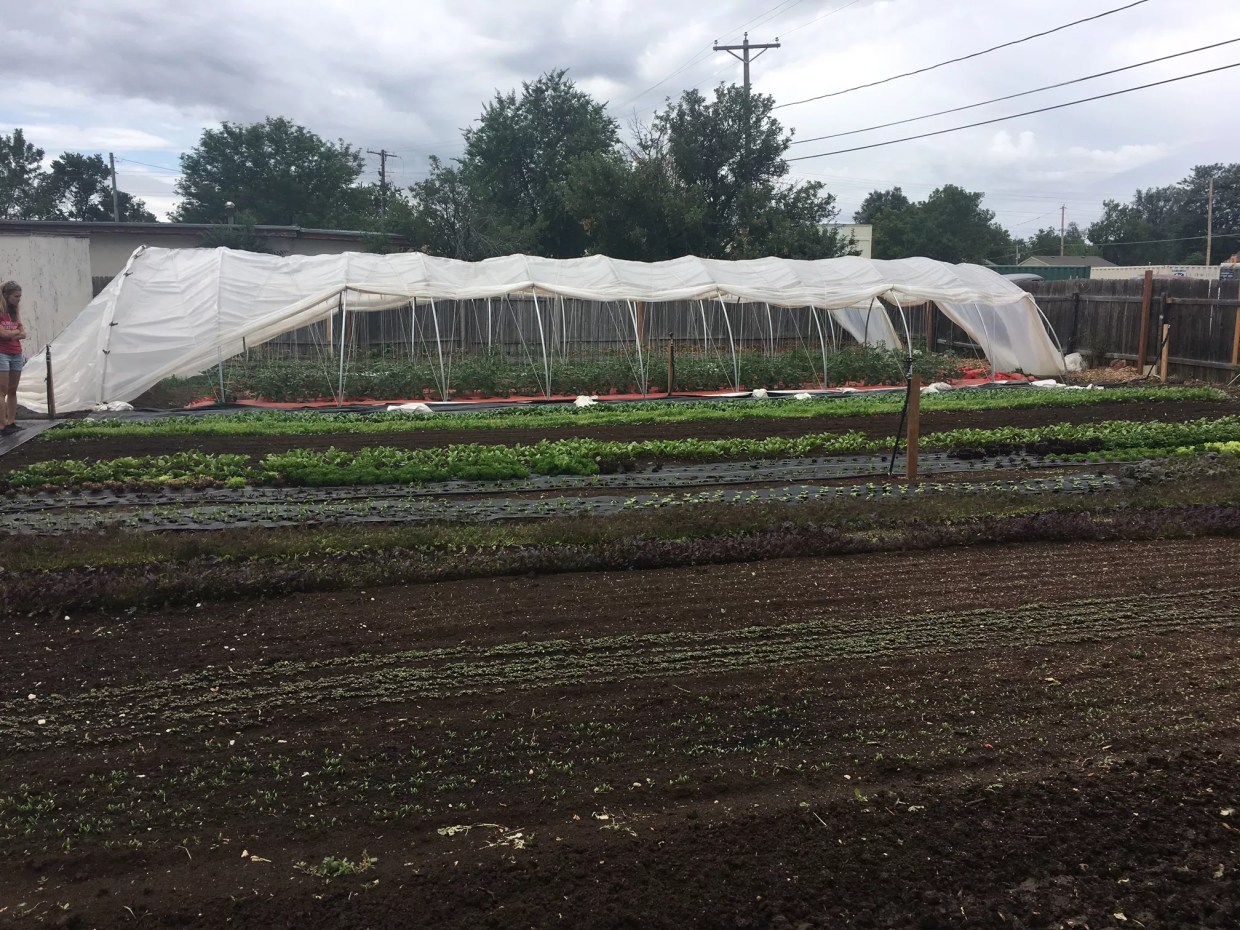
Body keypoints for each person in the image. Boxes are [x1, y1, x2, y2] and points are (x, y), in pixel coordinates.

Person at [0, 281, 27, 436]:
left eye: (20, 296)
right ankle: (1, 424)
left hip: (16, 352)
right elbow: (3, 334)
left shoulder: (14, 311)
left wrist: (12, 335)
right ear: (6, 295)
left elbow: (23, 333)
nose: (19, 299)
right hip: (2, 353)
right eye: (16, 296)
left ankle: (12, 422)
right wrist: (14, 334)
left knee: (13, 390)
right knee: (2, 390)